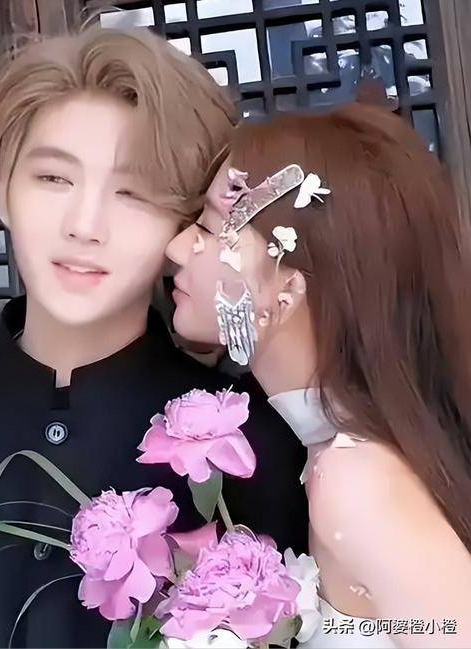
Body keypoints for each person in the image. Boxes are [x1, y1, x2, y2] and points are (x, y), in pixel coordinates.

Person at [0, 26, 307, 648]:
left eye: (133, 192)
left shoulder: (254, 443)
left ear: (187, 223)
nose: (85, 226)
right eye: (54, 179)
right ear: (1, 185)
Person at [166, 102, 471, 648]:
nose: (175, 248)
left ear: (289, 283)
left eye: (210, 229)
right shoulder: (334, 455)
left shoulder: (355, 479)